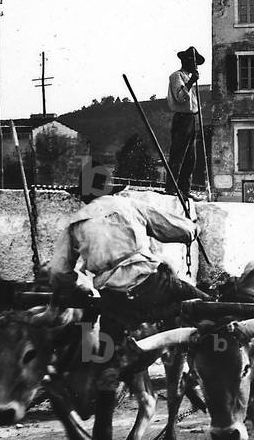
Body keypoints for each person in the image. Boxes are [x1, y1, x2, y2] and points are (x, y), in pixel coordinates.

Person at [49, 194, 205, 322]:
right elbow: (181, 230)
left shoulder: (74, 224)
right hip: (150, 283)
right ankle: (180, 309)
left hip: (112, 296)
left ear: (84, 196)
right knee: (207, 303)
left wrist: (74, 289)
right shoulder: (128, 205)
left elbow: (58, 271)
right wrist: (196, 228)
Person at [166, 46, 204, 198]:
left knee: (190, 158)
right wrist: (190, 84)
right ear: (185, 61)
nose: (194, 66)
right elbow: (180, 97)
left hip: (192, 119)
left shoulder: (190, 77)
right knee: (178, 155)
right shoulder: (177, 76)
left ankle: (185, 190)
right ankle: (171, 188)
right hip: (182, 119)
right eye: (192, 62)